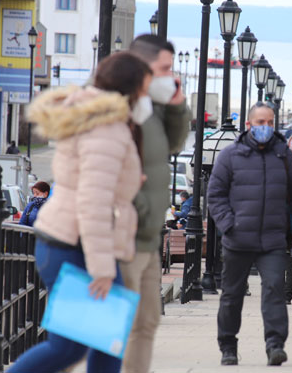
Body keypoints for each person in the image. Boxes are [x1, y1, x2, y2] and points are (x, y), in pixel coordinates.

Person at [8, 52, 148, 373]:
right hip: (77, 245)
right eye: (145, 87)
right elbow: (93, 199)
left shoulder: (96, 119)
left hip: (73, 242)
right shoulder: (106, 127)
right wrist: (102, 268)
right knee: (69, 348)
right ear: (130, 87)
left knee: (105, 343)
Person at [207, 103, 292, 366]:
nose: (265, 127)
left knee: (274, 291)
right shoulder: (230, 156)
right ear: (248, 125)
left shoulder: (284, 156)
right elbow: (215, 195)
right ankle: (228, 347)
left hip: (273, 240)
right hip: (238, 240)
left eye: (269, 122)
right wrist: (229, 225)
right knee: (232, 295)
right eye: (260, 122)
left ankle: (275, 345)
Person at [122, 34, 190, 373]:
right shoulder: (114, 104)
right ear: (142, 67)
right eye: (164, 68)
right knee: (98, 332)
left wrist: (176, 103)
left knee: (146, 324)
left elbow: (174, 143)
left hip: (147, 235)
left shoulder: (150, 107)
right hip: (118, 234)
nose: (170, 75)